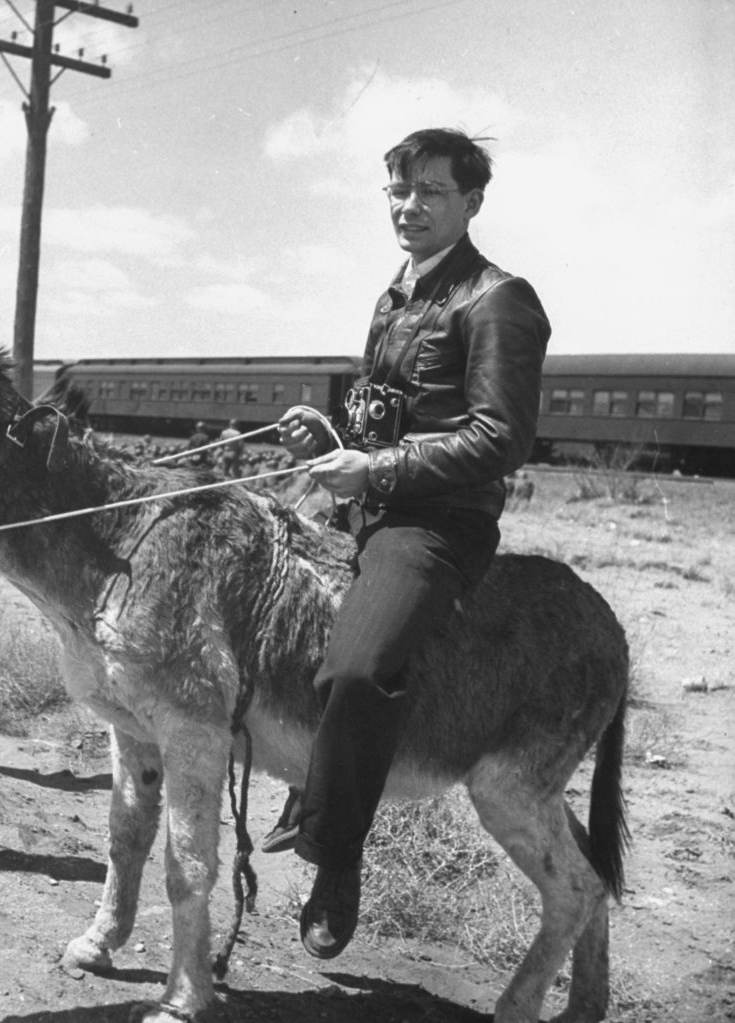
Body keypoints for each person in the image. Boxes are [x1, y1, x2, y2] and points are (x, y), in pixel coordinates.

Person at [275, 128, 550, 960]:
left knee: (357, 669)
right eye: (398, 190)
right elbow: (385, 412)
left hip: (436, 522)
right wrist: (331, 438)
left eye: (431, 190)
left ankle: (335, 856)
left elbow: (500, 437)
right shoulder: (397, 291)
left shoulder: (499, 298)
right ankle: (306, 785)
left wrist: (379, 471)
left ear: (471, 202)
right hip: (367, 499)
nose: (409, 205)